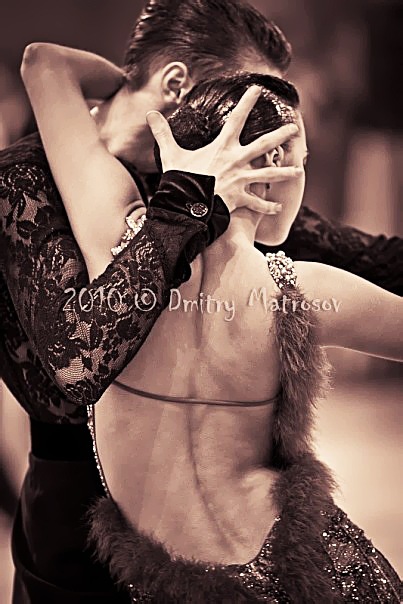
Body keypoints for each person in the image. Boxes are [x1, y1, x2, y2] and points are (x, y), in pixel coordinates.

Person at [2, 0, 402, 600]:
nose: (256, 113)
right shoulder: (29, 182)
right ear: (178, 86)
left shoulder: (198, 199)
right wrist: (186, 200)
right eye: (247, 95)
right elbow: (78, 364)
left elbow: (367, 255)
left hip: (229, 524)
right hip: (75, 530)